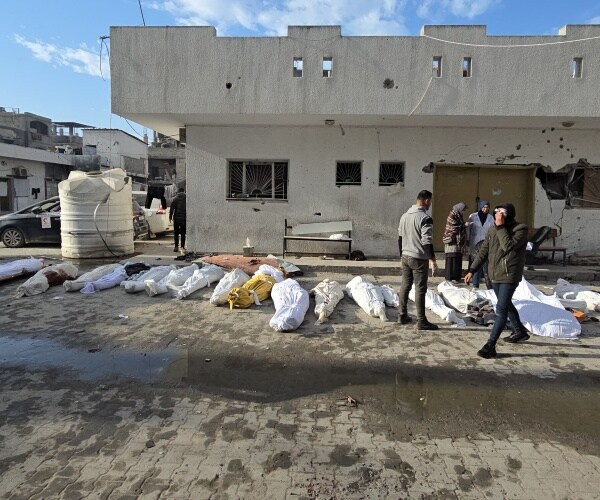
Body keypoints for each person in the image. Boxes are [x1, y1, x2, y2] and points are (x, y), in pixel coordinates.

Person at [464, 203, 530, 359]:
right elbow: (483, 252)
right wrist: (472, 270)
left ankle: (490, 346)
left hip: (509, 275)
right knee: (505, 303)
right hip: (494, 275)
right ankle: (519, 331)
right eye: (497, 212)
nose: (499, 215)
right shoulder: (493, 229)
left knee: (500, 310)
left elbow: (508, 246)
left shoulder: (520, 229)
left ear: (510, 214)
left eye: (503, 213)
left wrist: (500, 227)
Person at [398, 190, 440, 330]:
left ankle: (402, 315)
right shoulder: (425, 218)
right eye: (430, 201)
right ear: (426, 200)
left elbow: (400, 238)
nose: (430, 204)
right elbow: (427, 241)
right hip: (418, 258)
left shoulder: (404, 216)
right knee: (420, 289)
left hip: (405, 256)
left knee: (405, 285)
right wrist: (433, 260)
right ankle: (421, 320)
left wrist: (402, 254)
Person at [467, 200, 494, 289]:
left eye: (487, 207)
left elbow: (493, 230)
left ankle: (489, 286)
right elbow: (468, 229)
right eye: (484, 207)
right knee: (476, 263)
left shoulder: (491, 218)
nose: (485, 209)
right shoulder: (473, 216)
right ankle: (475, 285)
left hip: (485, 243)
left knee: (485, 264)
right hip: (474, 242)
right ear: (481, 207)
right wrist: (467, 239)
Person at [442, 202, 468, 282]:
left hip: (458, 242)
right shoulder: (452, 215)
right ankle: (449, 277)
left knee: (457, 259)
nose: (463, 212)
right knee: (451, 260)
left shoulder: (459, 216)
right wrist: (464, 225)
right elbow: (453, 227)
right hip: (452, 241)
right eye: (463, 210)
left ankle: (456, 277)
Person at [169, 187, 187, 252]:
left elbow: (172, 208)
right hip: (184, 218)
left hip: (176, 218)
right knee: (183, 233)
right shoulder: (186, 198)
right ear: (184, 191)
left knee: (176, 233)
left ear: (178, 192)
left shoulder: (175, 199)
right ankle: (182, 246)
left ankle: (176, 247)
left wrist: (170, 217)